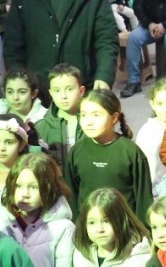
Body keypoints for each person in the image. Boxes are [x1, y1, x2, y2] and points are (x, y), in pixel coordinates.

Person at [64, 88, 154, 220]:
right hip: (89, 226)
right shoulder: (76, 152)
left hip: (124, 226)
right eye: (83, 115)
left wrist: (142, 228)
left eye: (96, 115)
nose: (88, 122)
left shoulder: (131, 152)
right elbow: (71, 196)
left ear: (114, 117)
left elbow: (143, 199)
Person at [34, 64, 85, 171]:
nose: (63, 96)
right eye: (57, 90)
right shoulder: (41, 127)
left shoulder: (92, 123)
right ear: (51, 93)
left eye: (70, 89)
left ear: (81, 91)